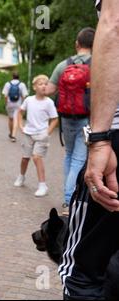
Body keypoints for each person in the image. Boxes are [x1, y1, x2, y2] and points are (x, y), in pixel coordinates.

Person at [58, 0, 119, 300]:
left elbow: (114, 23)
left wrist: (101, 138)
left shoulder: (65, 65)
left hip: (109, 135)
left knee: (85, 271)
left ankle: (68, 196)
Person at [46, 27, 96, 214]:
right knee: (78, 158)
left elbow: (49, 90)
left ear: (77, 44)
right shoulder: (96, 65)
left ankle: (68, 197)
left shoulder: (63, 65)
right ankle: (69, 199)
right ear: (94, 45)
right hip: (87, 118)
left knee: (69, 155)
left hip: (66, 118)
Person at [13, 75, 58, 197]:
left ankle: (42, 185)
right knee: (25, 158)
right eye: (40, 84)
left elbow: (54, 119)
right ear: (34, 87)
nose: (44, 86)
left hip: (41, 135)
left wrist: (47, 132)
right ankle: (21, 176)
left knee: (37, 157)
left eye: (46, 84)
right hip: (28, 133)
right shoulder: (29, 100)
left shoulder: (49, 102)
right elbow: (20, 112)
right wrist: (21, 126)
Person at [2, 73, 29, 142]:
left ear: (12, 77)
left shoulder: (7, 84)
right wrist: (22, 104)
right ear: (18, 77)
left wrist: (6, 103)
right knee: (16, 119)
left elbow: (5, 95)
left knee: (10, 119)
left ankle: (11, 134)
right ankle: (13, 136)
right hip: (18, 104)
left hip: (9, 104)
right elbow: (24, 95)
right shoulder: (22, 84)